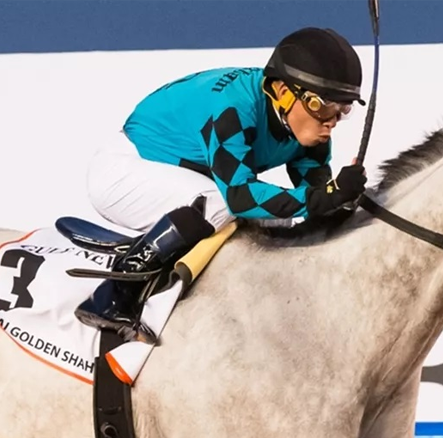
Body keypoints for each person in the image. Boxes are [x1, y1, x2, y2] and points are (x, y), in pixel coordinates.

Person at [75, 26, 369, 344]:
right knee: (217, 203)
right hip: (125, 170)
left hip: (188, 177)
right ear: (283, 92)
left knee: (277, 220)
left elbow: (317, 201)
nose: (331, 120)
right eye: (323, 105)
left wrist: (342, 201)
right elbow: (240, 198)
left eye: (343, 109)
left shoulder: (308, 129)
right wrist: (323, 197)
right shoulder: (234, 108)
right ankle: (115, 293)